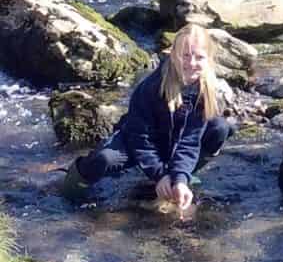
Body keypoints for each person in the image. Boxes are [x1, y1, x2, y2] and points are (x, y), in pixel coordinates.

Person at [61, 24, 233, 211]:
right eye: (185, 55)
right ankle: (70, 186)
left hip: (171, 141)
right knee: (104, 159)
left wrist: (179, 178)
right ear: (173, 55)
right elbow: (139, 138)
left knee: (220, 128)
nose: (191, 63)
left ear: (208, 60)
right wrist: (159, 175)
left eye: (199, 57)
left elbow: (190, 141)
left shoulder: (203, 88)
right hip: (137, 140)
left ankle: (181, 176)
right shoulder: (151, 87)